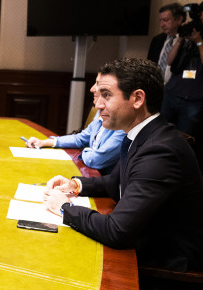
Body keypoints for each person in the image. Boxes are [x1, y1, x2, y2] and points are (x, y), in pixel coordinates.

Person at [42, 58, 203, 277]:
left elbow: (117, 231)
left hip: (164, 267)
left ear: (137, 98)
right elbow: (113, 182)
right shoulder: (139, 135)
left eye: (106, 95)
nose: (98, 104)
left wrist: (65, 208)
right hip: (142, 247)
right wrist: (76, 184)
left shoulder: (161, 151)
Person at [25, 74, 126, 175]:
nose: (92, 89)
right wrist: (45, 142)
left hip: (103, 184)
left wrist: (84, 151)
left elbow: (96, 160)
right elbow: (81, 138)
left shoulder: (123, 124)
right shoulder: (99, 112)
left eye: (98, 84)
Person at [162, 5, 203, 170]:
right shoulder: (189, 33)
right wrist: (181, 39)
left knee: (183, 143)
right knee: (160, 133)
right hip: (172, 92)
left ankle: (178, 173)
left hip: (193, 98)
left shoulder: (199, 39)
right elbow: (169, 61)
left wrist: (199, 41)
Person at [147, 3, 184, 83]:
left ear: (179, 20)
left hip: (176, 90)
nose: (162, 25)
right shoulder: (157, 40)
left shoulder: (187, 42)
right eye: (160, 20)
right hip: (156, 87)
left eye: (166, 20)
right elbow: (149, 66)